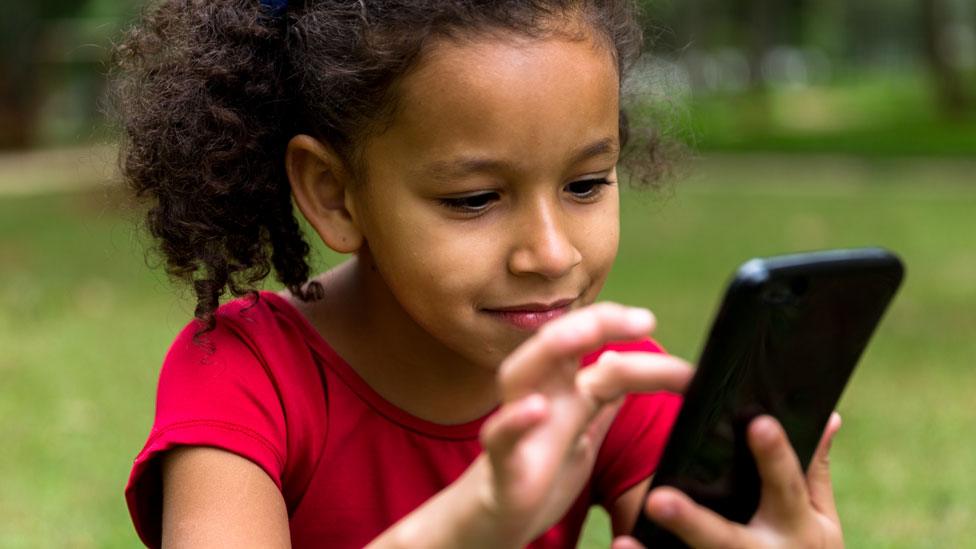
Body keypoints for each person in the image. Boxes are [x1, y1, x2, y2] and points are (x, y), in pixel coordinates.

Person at [114, 0, 845, 547]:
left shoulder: (612, 385)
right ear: (335, 193)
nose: (552, 252)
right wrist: (470, 523)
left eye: (586, 183)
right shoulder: (245, 378)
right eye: (475, 199)